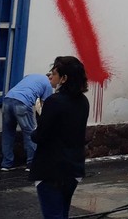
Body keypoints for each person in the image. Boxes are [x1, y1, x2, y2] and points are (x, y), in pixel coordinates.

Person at [31, 56, 90, 219]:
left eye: (55, 73)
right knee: (62, 211)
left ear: (64, 78)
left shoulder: (54, 101)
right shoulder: (83, 101)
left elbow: (41, 135)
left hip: (52, 168)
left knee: (53, 213)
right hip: (73, 166)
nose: (51, 76)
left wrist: (35, 129)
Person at [2, 72, 54, 170]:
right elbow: (45, 106)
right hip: (23, 103)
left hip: (7, 100)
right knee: (30, 133)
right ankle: (31, 163)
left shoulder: (30, 76)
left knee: (7, 133)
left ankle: (6, 164)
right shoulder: (48, 84)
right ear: (51, 77)